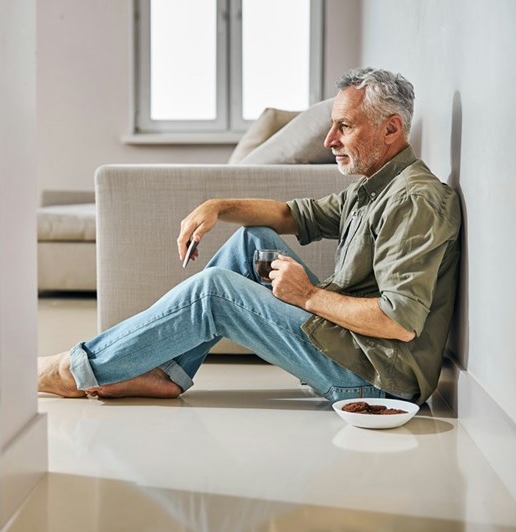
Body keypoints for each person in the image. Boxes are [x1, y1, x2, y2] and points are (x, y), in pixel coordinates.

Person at [38, 67, 461, 404]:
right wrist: (218, 206)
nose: (330, 140)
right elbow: (290, 215)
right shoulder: (375, 188)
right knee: (251, 240)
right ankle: (163, 372)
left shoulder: (416, 200)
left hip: (376, 378)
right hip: (353, 350)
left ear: (390, 130)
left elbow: (399, 322)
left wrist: (307, 296)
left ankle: (77, 371)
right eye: (332, 127)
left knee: (215, 291)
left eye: (344, 127)